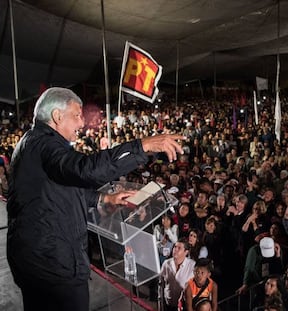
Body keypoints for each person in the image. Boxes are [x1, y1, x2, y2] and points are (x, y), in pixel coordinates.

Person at [6, 87, 185, 311]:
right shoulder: (46, 145)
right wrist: (142, 146)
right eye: (77, 115)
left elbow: (60, 188)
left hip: (39, 257)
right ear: (57, 116)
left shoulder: (34, 142)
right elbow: (85, 170)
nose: (82, 123)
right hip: (53, 264)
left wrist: (103, 200)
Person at [159, 238, 196, 311]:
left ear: (186, 252)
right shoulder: (166, 264)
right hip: (168, 305)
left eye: (179, 248)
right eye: (175, 247)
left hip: (183, 307)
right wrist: (160, 304)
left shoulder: (192, 266)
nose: (175, 250)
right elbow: (161, 285)